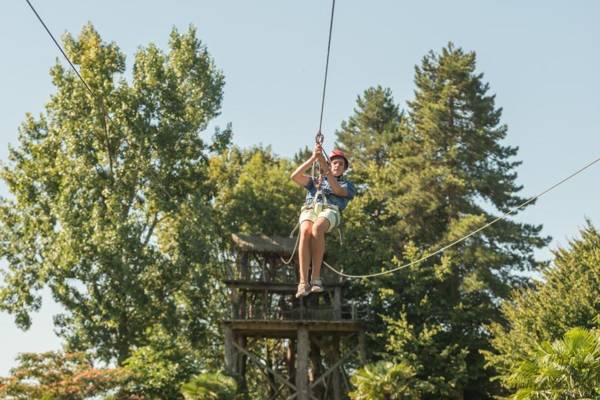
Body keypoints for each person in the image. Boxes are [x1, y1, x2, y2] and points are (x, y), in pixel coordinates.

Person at [290, 143, 356, 298]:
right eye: (335, 163)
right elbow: (295, 176)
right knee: (305, 231)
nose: (338, 165)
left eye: (341, 164)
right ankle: (303, 282)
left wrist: (326, 170)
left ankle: (315, 278)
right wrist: (313, 158)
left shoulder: (348, 185)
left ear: (344, 168)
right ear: (330, 164)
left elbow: (337, 190)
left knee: (317, 228)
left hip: (330, 209)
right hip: (310, 208)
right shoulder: (315, 181)